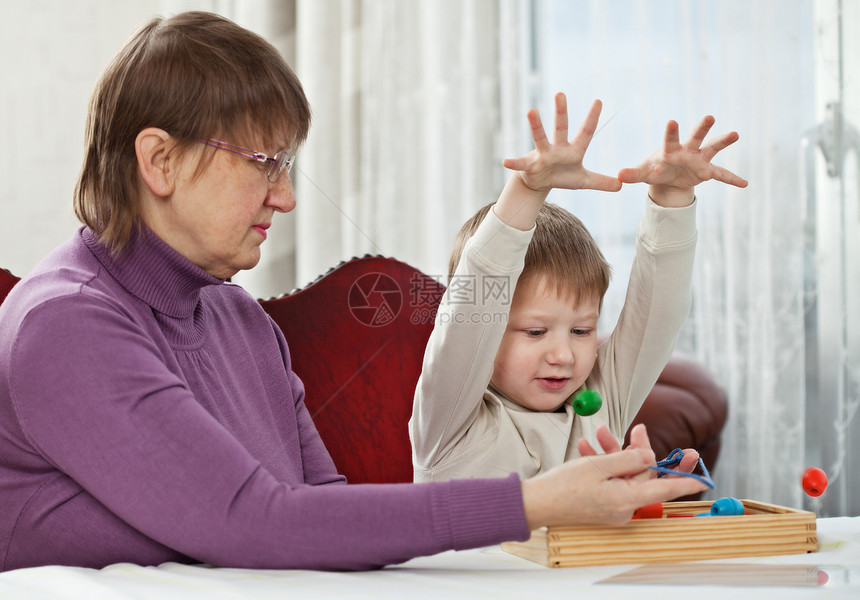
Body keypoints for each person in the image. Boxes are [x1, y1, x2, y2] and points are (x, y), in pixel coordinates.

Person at [0, 12, 708, 573]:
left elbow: (321, 518)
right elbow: (257, 524)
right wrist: (530, 503)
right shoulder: (65, 326)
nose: (285, 196)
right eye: (264, 163)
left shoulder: (237, 320)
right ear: (159, 160)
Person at [410, 93, 747, 482]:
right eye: (536, 331)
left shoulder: (603, 401)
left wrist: (672, 198)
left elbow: (659, 313)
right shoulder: (449, 420)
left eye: (581, 330)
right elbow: (475, 298)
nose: (563, 355)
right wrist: (527, 191)